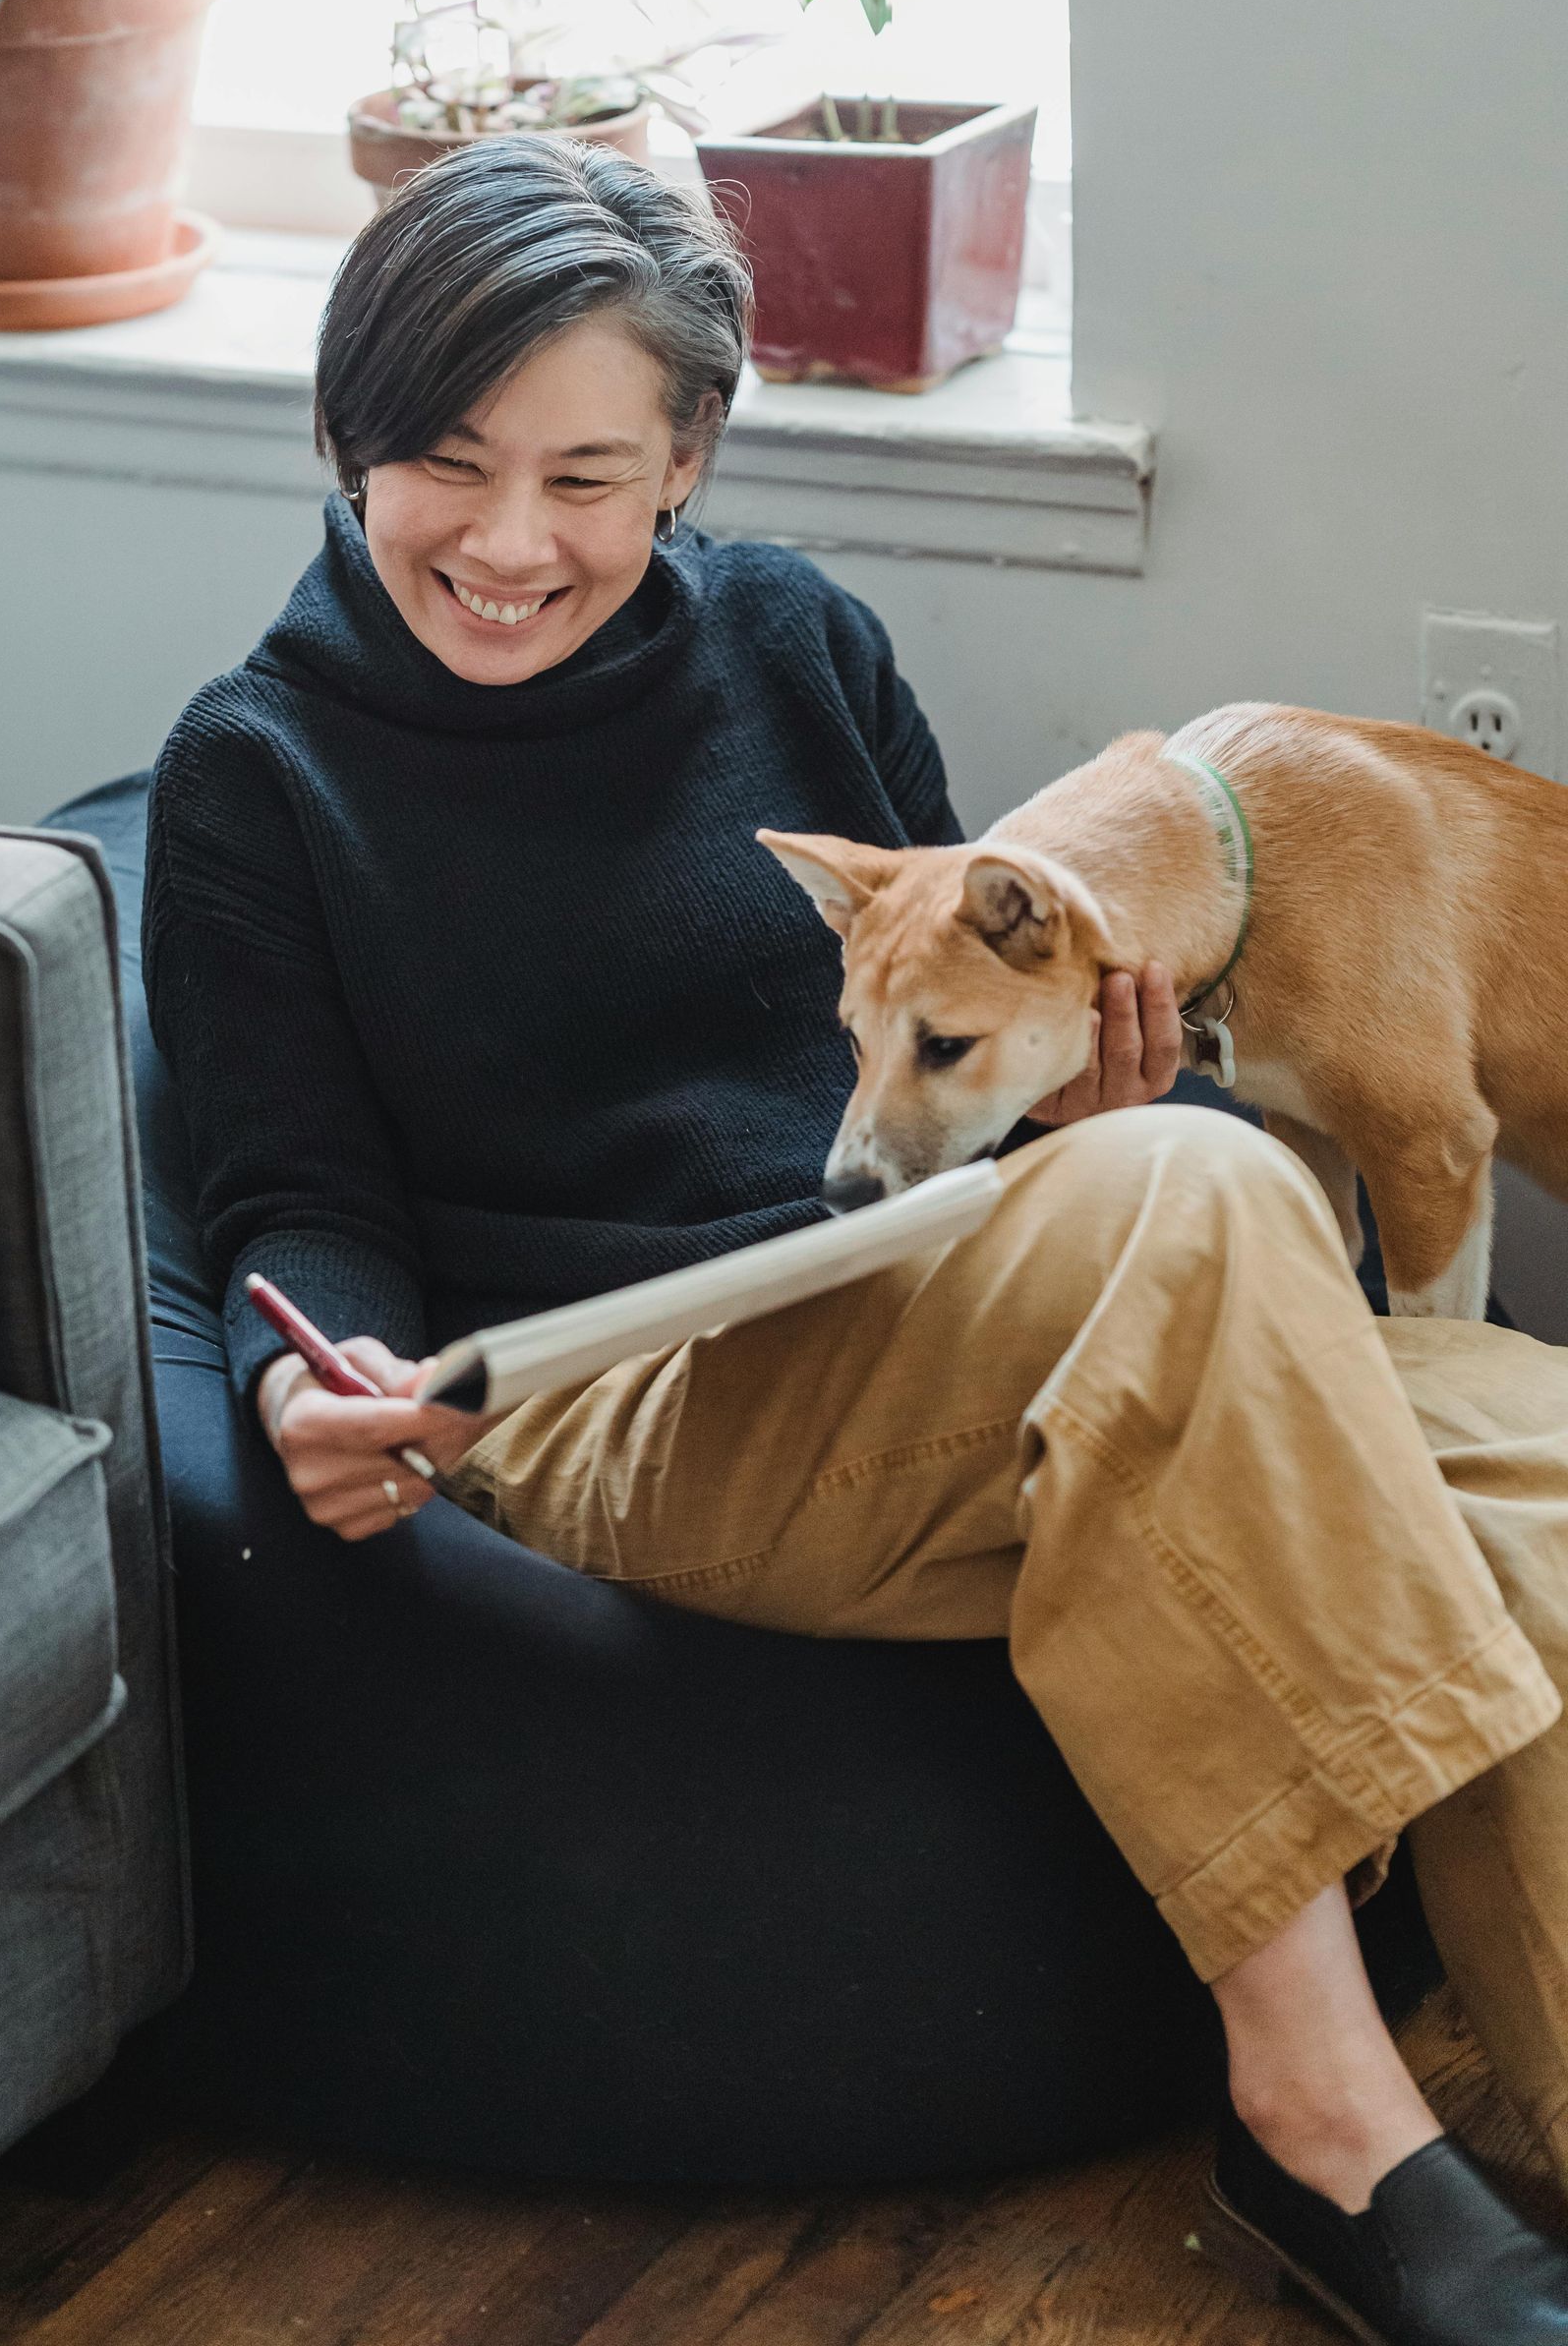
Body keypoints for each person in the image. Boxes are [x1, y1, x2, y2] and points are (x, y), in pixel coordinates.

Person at [143, 135, 1568, 2342]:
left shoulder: (802, 640)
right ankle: (1322, 2118)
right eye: (443, 462)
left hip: (942, 1324)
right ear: (348, 443)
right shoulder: (259, 769)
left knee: (1527, 1444)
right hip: (622, 1402)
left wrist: (1100, 1099)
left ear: (689, 460)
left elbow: (962, 1024)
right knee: (1203, 1193)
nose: (511, 543)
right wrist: (299, 1378)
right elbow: (286, 1192)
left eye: (590, 478)